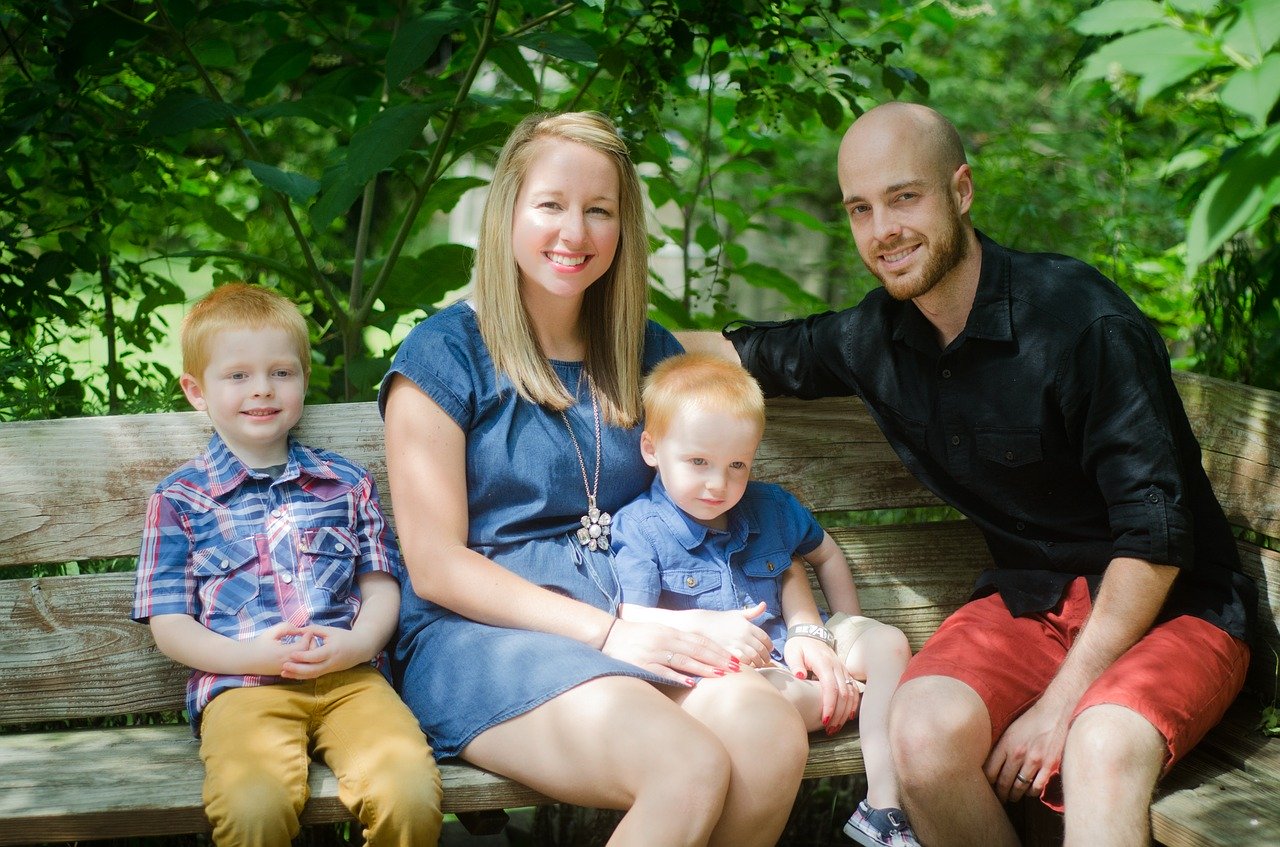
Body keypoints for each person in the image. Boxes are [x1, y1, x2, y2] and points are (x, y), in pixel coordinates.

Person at [682, 102, 1255, 847]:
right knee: (918, 732)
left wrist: (1061, 703)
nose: (882, 228)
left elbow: (1156, 539)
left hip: (1177, 610)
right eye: (861, 208)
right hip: (1033, 602)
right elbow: (742, 350)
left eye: (904, 197)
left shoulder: (1079, 322)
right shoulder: (879, 336)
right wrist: (568, 346)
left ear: (961, 190)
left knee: (1099, 746)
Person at [379, 111, 808, 847]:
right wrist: (612, 632)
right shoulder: (442, 359)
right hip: (484, 640)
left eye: (599, 210)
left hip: (633, 624)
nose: (573, 233)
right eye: (550, 204)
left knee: (765, 729)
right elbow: (436, 565)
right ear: (508, 210)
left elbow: (723, 406)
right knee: (686, 765)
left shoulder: (642, 351)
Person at [132, 283, 443, 847]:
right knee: (255, 807)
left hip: (350, 681)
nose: (262, 390)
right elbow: (169, 625)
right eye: (238, 376)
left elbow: (380, 587)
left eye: (281, 372)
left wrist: (357, 644)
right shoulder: (180, 499)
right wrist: (251, 655)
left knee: (410, 794)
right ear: (196, 390)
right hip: (243, 686)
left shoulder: (345, 483)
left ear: (303, 378)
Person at [610, 352, 919, 847]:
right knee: (762, 702)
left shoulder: (769, 505)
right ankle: (847, 699)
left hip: (794, 646)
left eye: (737, 465)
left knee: (888, 644)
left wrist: (835, 631)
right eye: (698, 462)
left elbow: (826, 556)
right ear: (651, 448)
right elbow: (634, 620)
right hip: (730, 679)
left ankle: (882, 810)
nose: (719, 484)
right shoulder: (641, 528)